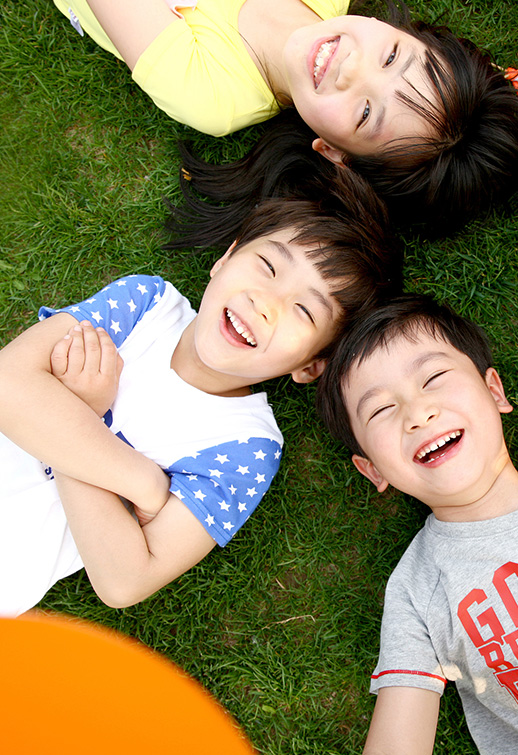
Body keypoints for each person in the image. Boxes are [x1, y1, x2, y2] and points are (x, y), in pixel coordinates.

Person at [0, 177, 401, 617]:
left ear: (310, 365)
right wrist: (141, 482)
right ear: (226, 258)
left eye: (304, 310)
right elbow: (7, 382)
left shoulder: (246, 447)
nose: (265, 303)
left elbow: (125, 580)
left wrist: (82, 414)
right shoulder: (145, 305)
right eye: (268, 267)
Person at [52, 0, 518, 234]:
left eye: (366, 112)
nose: (351, 68)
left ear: (334, 153)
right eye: (393, 56)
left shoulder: (212, 96)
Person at [316, 295, 518, 754]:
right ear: (373, 470)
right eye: (380, 410)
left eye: (433, 378)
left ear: (494, 391)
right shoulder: (417, 590)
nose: (418, 413)